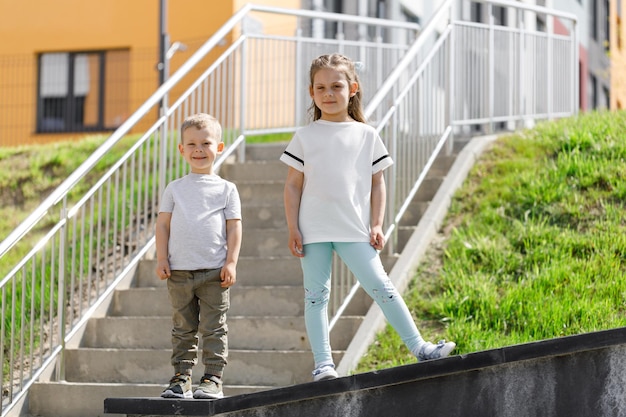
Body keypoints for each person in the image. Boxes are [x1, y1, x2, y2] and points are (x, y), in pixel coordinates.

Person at [280, 53, 455, 382]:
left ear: (353, 88)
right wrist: (293, 228)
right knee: (316, 296)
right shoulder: (305, 136)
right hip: (313, 230)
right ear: (311, 92)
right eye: (321, 88)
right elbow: (292, 186)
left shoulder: (366, 135)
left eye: (336, 86)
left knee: (382, 286)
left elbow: (378, 183)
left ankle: (420, 348)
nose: (328, 94)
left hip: (354, 230)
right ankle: (323, 365)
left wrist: (377, 223)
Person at [155, 113, 242, 399]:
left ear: (219, 147)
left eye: (206, 143)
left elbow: (234, 227)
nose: (199, 150)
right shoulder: (175, 189)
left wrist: (230, 262)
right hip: (179, 271)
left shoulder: (227, 189)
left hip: (214, 272)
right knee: (183, 327)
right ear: (182, 149)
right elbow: (163, 225)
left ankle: (213, 379)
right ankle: (181, 378)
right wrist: (162, 258)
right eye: (191, 144)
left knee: (214, 327)